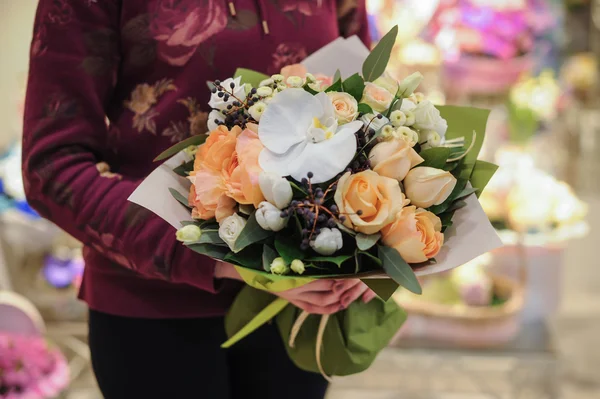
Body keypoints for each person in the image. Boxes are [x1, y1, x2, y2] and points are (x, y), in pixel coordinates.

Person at [22, 1, 374, 398]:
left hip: (301, 315)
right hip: (153, 313)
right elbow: (52, 169)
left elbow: (366, 109)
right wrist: (238, 259)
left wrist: (373, 234)